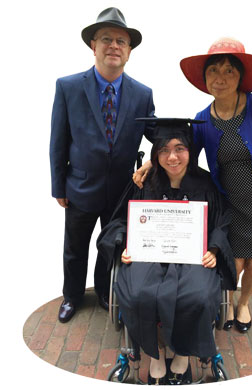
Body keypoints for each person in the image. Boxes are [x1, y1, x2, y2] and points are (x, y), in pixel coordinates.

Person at [134, 38, 252, 333]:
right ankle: (227, 302)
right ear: (205, 79)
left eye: (229, 71)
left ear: (240, 76)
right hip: (230, 204)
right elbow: (182, 152)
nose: (220, 78)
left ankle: (243, 303)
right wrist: (149, 164)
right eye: (214, 71)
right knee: (236, 263)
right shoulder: (204, 120)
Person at [97, 118, 236, 385]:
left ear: (190, 151)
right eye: (163, 150)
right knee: (139, 293)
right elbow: (120, 220)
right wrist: (124, 244)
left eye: (179, 148)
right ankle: (157, 353)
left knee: (196, 295)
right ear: (155, 154)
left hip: (192, 258)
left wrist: (215, 249)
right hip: (148, 256)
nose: (172, 157)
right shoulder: (144, 183)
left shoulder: (206, 184)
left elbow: (222, 221)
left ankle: (183, 354)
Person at [49, 7, 155, 323]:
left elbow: (157, 135)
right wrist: (59, 186)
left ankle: (106, 293)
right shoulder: (68, 87)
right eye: (106, 39)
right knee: (75, 248)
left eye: (121, 41)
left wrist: (156, 159)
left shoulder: (142, 93)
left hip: (121, 190)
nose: (114, 46)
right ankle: (72, 296)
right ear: (93, 46)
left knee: (111, 246)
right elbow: (58, 140)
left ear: (129, 52)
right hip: (79, 187)